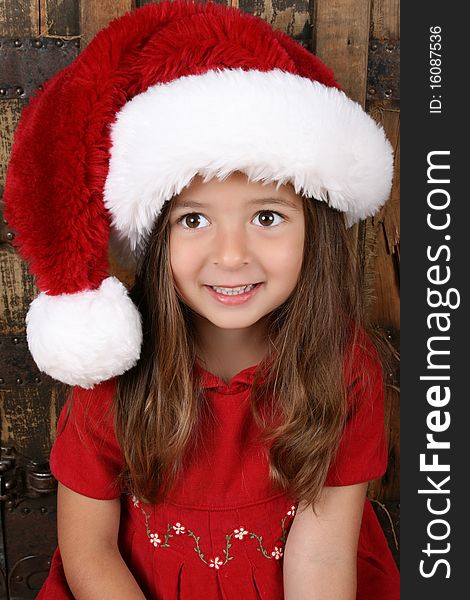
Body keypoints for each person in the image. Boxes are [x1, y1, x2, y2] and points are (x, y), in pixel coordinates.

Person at [4, 1, 399, 598]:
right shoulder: (113, 382)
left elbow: (320, 559)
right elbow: (89, 553)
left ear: (314, 229)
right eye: (194, 221)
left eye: (267, 216)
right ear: (156, 238)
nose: (232, 253)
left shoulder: (343, 371)